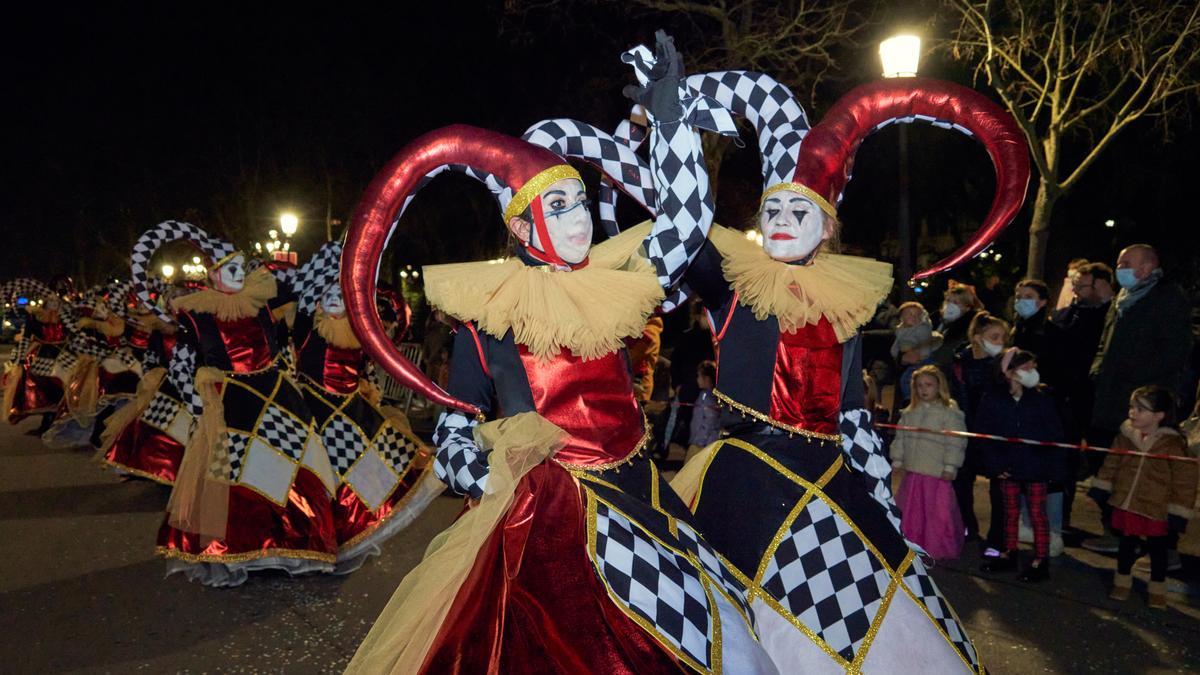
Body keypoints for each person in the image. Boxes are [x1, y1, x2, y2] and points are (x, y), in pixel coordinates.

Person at [342, 34, 777, 673]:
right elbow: (456, 423)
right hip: (548, 522)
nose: (579, 219)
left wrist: (673, 121)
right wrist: (485, 476)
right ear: (520, 227)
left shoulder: (613, 283)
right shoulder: (488, 315)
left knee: (698, 641)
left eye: (579, 201)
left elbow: (684, 223)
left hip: (639, 494)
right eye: (558, 206)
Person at [655, 68, 1027, 671]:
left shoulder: (844, 307)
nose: (777, 216)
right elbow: (684, 223)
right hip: (746, 477)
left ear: (826, 228)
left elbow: (852, 412)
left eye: (796, 211)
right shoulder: (732, 288)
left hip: (832, 478)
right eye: (771, 205)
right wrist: (672, 126)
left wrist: (881, 500)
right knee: (743, 624)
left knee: (861, 613)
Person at [129, 220, 340, 587]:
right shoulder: (197, 314)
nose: (238, 275)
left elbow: (305, 282)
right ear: (213, 276)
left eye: (240, 268)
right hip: (231, 405)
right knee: (238, 481)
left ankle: (289, 542)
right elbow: (182, 363)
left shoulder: (260, 298)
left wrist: (342, 248)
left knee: (293, 464)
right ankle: (243, 549)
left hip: (275, 395)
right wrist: (200, 407)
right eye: (230, 270)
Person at [291, 250, 443, 574]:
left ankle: (348, 537)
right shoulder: (307, 327)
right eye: (327, 294)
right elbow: (302, 286)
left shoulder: (358, 335)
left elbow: (367, 372)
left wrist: (374, 397)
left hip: (352, 413)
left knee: (360, 478)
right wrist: (342, 253)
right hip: (314, 416)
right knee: (316, 483)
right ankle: (315, 543)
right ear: (317, 302)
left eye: (340, 295)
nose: (334, 300)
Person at [1086, 244, 1193, 552]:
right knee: (1106, 466)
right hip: (1108, 399)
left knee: (1148, 477)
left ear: (1147, 267)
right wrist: (1098, 371)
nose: (1120, 268)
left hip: (1144, 403)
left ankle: (1158, 545)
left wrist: (1136, 381)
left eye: (1126, 263)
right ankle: (1117, 532)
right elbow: (1105, 345)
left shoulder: (1167, 299)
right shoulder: (1122, 301)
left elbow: (1174, 351)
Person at [1092, 386, 1197, 608]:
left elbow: (1184, 481)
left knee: (1158, 549)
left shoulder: (1173, 444)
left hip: (1155, 506)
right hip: (1127, 501)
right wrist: (1103, 485)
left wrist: (1179, 511)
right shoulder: (1126, 435)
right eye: (1132, 407)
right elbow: (1112, 461)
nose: (1133, 412)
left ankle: (1157, 588)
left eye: (1141, 409)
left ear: (1159, 415)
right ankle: (1122, 581)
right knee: (1127, 544)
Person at [978, 349, 1066, 582]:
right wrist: (995, 465)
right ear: (1009, 372)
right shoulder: (993, 398)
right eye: (1027, 368)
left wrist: (1053, 467)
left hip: (1036, 466)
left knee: (1038, 514)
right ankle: (1009, 553)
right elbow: (986, 435)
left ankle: (1041, 559)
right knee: (1009, 513)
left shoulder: (1042, 398)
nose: (1032, 372)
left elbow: (1054, 433)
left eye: (1033, 367)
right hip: (1008, 468)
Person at [891, 365, 968, 560]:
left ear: (939, 386)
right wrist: (898, 458)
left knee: (937, 513)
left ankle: (937, 545)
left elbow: (956, 441)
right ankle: (912, 544)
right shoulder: (910, 412)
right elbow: (901, 437)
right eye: (919, 386)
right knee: (913, 512)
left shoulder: (949, 412)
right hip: (914, 472)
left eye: (928, 385)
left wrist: (950, 465)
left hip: (936, 473)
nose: (924, 390)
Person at [952, 312, 1009, 545]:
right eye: (994, 336)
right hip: (966, 432)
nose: (1000, 342)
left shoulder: (1003, 365)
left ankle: (998, 538)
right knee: (962, 482)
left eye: (1003, 338)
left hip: (995, 435)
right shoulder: (959, 363)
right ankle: (967, 527)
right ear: (977, 337)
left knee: (1000, 488)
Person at [930, 281, 984, 380]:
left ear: (967, 307)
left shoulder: (969, 327)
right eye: (948, 301)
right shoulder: (935, 320)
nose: (950, 305)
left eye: (955, 302)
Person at [891, 301, 942, 403]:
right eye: (909, 314)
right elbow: (896, 345)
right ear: (902, 318)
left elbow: (925, 342)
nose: (913, 316)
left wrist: (921, 356)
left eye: (917, 314)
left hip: (923, 360)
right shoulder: (900, 331)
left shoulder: (922, 328)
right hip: (909, 360)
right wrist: (896, 354)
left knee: (908, 379)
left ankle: (909, 400)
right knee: (907, 379)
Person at [686, 360, 719, 458]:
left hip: (702, 445)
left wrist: (700, 442)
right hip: (699, 442)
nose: (697, 379)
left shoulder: (708, 398)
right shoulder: (704, 395)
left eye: (699, 376)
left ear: (707, 378)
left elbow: (709, 421)